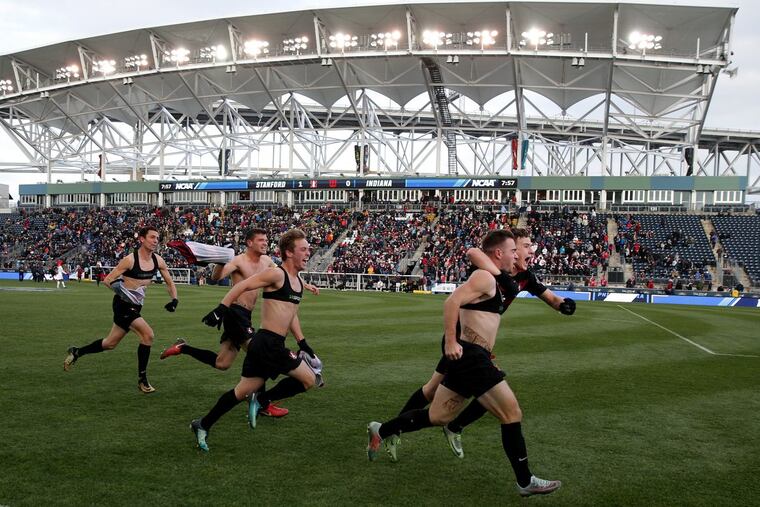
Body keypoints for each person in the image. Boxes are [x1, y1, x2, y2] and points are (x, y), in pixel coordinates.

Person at [366, 229, 562, 497]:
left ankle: (382, 429)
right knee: (511, 413)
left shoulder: (500, 279)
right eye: (513, 251)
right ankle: (525, 481)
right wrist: (450, 341)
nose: (516, 255)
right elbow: (452, 301)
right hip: (471, 356)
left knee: (437, 416)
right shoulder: (485, 276)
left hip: (469, 357)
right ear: (498, 253)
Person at [190, 229, 322, 452]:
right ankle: (262, 401)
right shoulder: (277, 275)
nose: (308, 253)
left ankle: (202, 424)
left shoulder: (296, 281)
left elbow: (291, 314)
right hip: (268, 344)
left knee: (240, 392)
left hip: (268, 345)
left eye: (308, 249)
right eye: (303, 249)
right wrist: (221, 309)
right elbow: (242, 285)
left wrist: (303, 343)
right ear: (289, 253)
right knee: (309, 380)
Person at [161, 228, 317, 417]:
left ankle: (183, 348)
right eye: (261, 240)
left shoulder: (267, 261)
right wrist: (220, 262)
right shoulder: (238, 261)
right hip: (234, 314)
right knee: (260, 351)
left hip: (247, 317)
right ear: (249, 243)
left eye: (266, 240)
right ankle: (262, 403)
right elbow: (215, 278)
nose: (265, 243)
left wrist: (304, 285)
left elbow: (285, 275)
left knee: (222, 363)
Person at [63, 226, 179, 393]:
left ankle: (77, 352)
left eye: (157, 238)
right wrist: (124, 292)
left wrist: (174, 300)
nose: (155, 241)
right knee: (148, 335)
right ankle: (142, 380)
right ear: (142, 239)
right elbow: (108, 280)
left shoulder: (158, 260)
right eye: (152, 237)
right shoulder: (130, 260)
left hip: (135, 307)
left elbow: (169, 282)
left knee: (110, 344)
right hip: (123, 305)